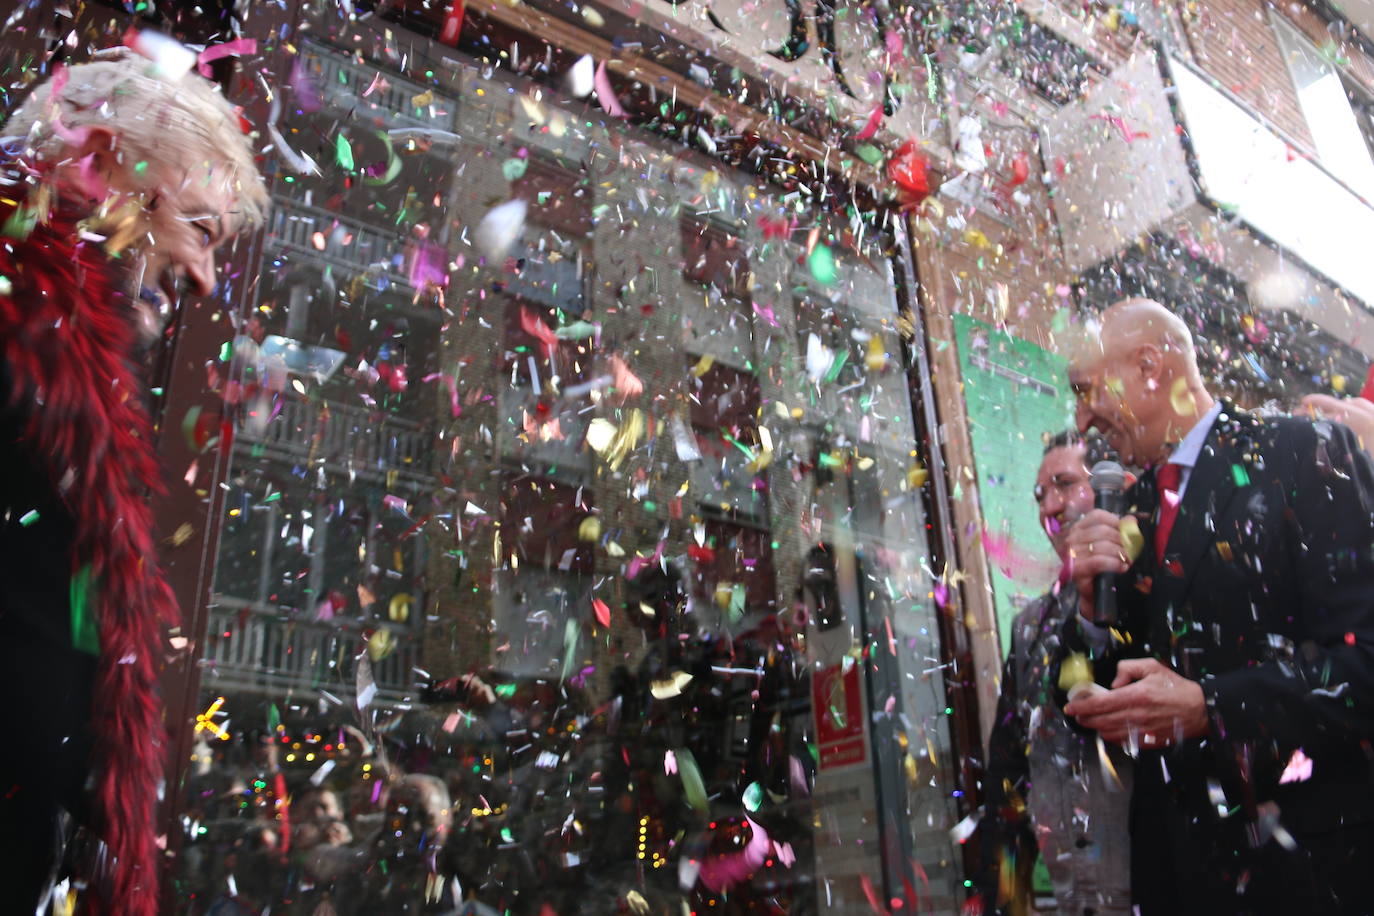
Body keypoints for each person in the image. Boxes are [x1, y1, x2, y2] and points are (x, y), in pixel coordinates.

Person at [0, 51, 267, 914]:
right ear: (106, 161)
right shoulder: (22, 347)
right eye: (201, 225)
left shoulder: (70, 386)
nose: (203, 276)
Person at [1062, 298, 1374, 914]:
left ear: (1150, 367)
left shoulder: (1304, 453)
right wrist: (1088, 615)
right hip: (1176, 875)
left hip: (1304, 873)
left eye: (1089, 391)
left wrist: (1211, 706)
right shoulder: (1127, 510)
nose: (1083, 418)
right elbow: (1082, 700)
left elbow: (1364, 664)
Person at [974, 432, 1132, 916]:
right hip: (1073, 892)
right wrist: (1001, 891)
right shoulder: (1030, 626)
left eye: (1064, 484)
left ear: (1113, 490)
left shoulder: (1146, 589)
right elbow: (1008, 767)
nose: (1051, 506)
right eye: (1041, 494)